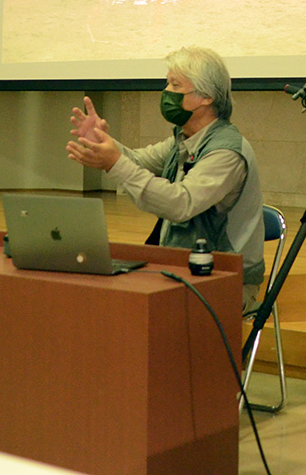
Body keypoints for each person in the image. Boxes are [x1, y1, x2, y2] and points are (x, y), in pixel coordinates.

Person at [66, 47, 265, 310]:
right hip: (183, 268)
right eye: (167, 83)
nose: (166, 92)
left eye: (175, 84)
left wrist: (114, 161)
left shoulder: (226, 151)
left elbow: (180, 204)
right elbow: (137, 161)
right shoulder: (185, 139)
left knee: (130, 309)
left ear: (206, 96)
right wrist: (104, 143)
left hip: (226, 280)